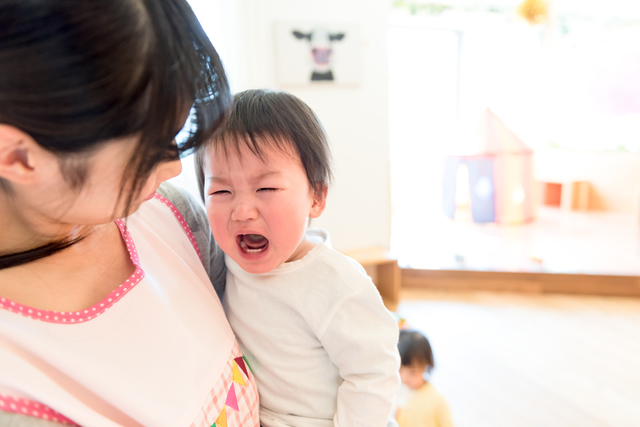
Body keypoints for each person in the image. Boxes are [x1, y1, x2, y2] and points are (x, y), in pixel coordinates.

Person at [0, 1, 259, 426]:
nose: (175, 167)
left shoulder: (171, 216)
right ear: (19, 157)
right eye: (149, 150)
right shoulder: (15, 389)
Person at [195, 89, 401, 427]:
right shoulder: (222, 259)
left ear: (316, 197)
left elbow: (373, 371)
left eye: (266, 189)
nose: (242, 211)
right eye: (221, 192)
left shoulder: (335, 282)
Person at [395, 330, 454, 427]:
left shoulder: (437, 401)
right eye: (400, 370)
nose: (404, 377)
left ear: (426, 365)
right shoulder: (397, 390)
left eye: (413, 372)